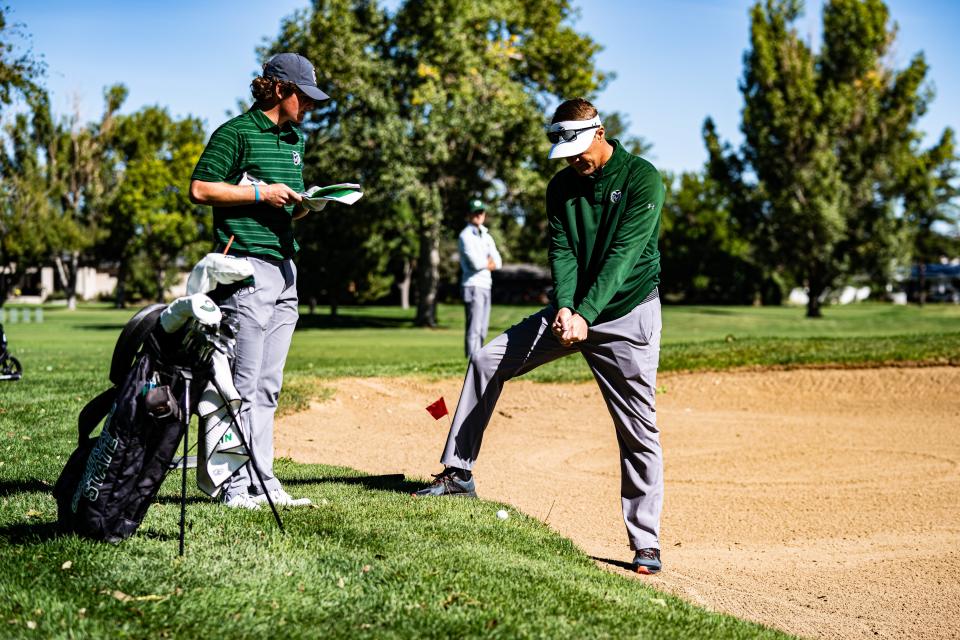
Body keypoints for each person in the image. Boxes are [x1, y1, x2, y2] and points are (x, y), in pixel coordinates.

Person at [413, 98, 667, 575]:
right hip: (574, 312)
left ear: (600, 131)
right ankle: (458, 472)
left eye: (578, 148)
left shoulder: (642, 177)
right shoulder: (562, 187)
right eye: (565, 151)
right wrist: (567, 307)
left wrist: (587, 313)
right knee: (488, 359)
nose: (574, 159)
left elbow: (624, 255)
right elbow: (563, 251)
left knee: (638, 426)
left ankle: (646, 540)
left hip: (627, 315)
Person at [189, 53, 330, 510]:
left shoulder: (295, 141)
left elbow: (283, 203)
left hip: (285, 268)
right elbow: (201, 189)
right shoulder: (236, 133)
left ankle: (262, 481)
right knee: (241, 384)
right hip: (244, 268)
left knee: (268, 385)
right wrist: (259, 192)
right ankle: (230, 485)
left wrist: (305, 204)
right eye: (303, 96)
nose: (308, 105)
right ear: (277, 89)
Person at [458, 199, 502, 359]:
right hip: (472, 285)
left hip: (485, 285)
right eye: (475, 212)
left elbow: (498, 262)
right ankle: (470, 359)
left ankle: (478, 360)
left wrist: (489, 262)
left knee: (483, 328)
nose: (479, 215)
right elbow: (475, 264)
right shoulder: (465, 236)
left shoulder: (486, 235)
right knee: (474, 328)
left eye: (481, 212)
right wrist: (487, 262)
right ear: (469, 215)